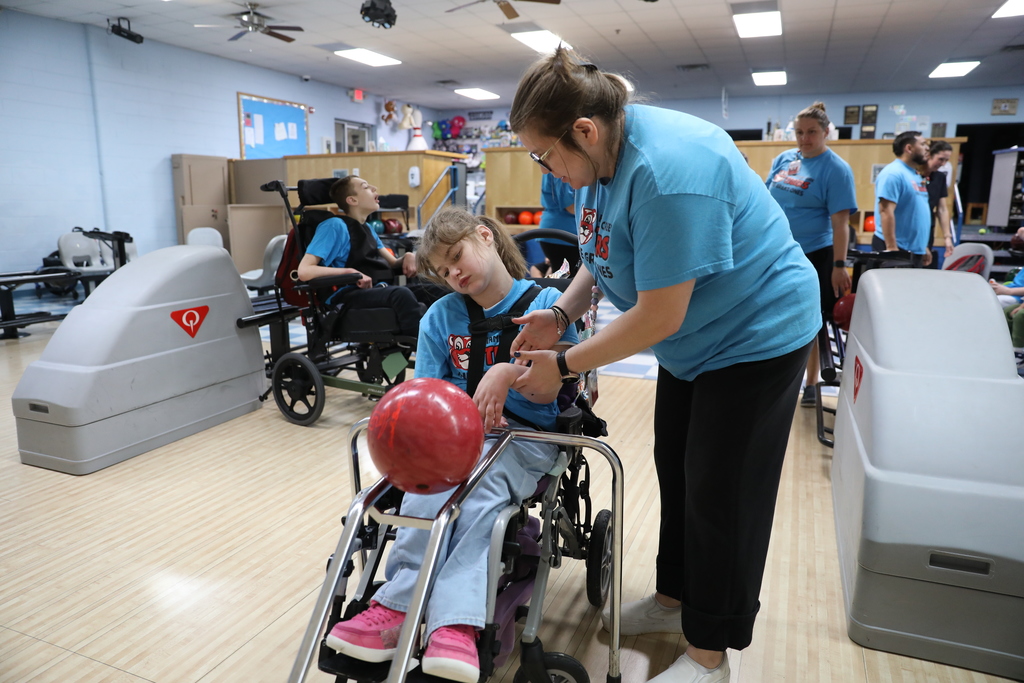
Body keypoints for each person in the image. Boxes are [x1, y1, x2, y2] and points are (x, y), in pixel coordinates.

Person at [507, 49, 820, 683]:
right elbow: (602, 250)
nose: (546, 169)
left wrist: (563, 364)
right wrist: (562, 315)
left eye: (545, 154)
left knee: (723, 492)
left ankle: (709, 656)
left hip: (757, 334)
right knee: (677, 466)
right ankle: (677, 599)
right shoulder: (602, 160)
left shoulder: (668, 171)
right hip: (697, 342)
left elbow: (657, 318)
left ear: (584, 130)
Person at [324, 205, 578, 683]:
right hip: (458, 438)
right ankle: (397, 610)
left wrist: (507, 373)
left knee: (478, 493)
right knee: (426, 482)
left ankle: (453, 624)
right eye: (443, 270)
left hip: (525, 437)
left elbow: (557, 384)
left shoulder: (548, 303)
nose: (453, 272)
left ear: (486, 236)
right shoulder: (441, 317)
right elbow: (428, 393)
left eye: (457, 256)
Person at [766, 101, 857, 407]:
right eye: (800, 132)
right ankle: (773, 378)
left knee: (809, 320)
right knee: (773, 316)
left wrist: (839, 264)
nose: (804, 138)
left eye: (812, 132)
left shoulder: (836, 170)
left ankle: (811, 383)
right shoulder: (784, 159)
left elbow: (841, 223)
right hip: (777, 251)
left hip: (815, 254)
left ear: (826, 132)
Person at [296, 175, 440, 339]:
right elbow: (304, 271)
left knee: (436, 288)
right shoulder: (334, 226)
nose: (374, 188)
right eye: (365, 187)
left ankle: (461, 337)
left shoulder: (367, 229)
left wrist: (408, 256)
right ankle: (426, 350)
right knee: (401, 295)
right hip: (345, 295)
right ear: (352, 200)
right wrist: (350, 273)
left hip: (377, 290)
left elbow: (393, 263)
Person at [871, 131, 932, 266]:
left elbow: (917, 213)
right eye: (922, 144)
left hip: (914, 250)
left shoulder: (915, 175)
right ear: (909, 148)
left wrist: (922, 247)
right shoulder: (893, 174)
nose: (927, 148)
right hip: (896, 248)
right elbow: (886, 211)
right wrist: (892, 248)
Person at [920, 139, 956, 268]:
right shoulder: (915, 175)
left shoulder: (940, 177)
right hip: (912, 231)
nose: (943, 164)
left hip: (927, 229)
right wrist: (920, 244)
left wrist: (947, 237)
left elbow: (942, 210)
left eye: (946, 160)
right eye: (940, 159)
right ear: (929, 155)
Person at [537, 172, 580, 276]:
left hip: (559, 231)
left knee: (563, 277)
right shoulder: (560, 170)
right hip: (563, 233)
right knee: (567, 280)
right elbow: (570, 206)